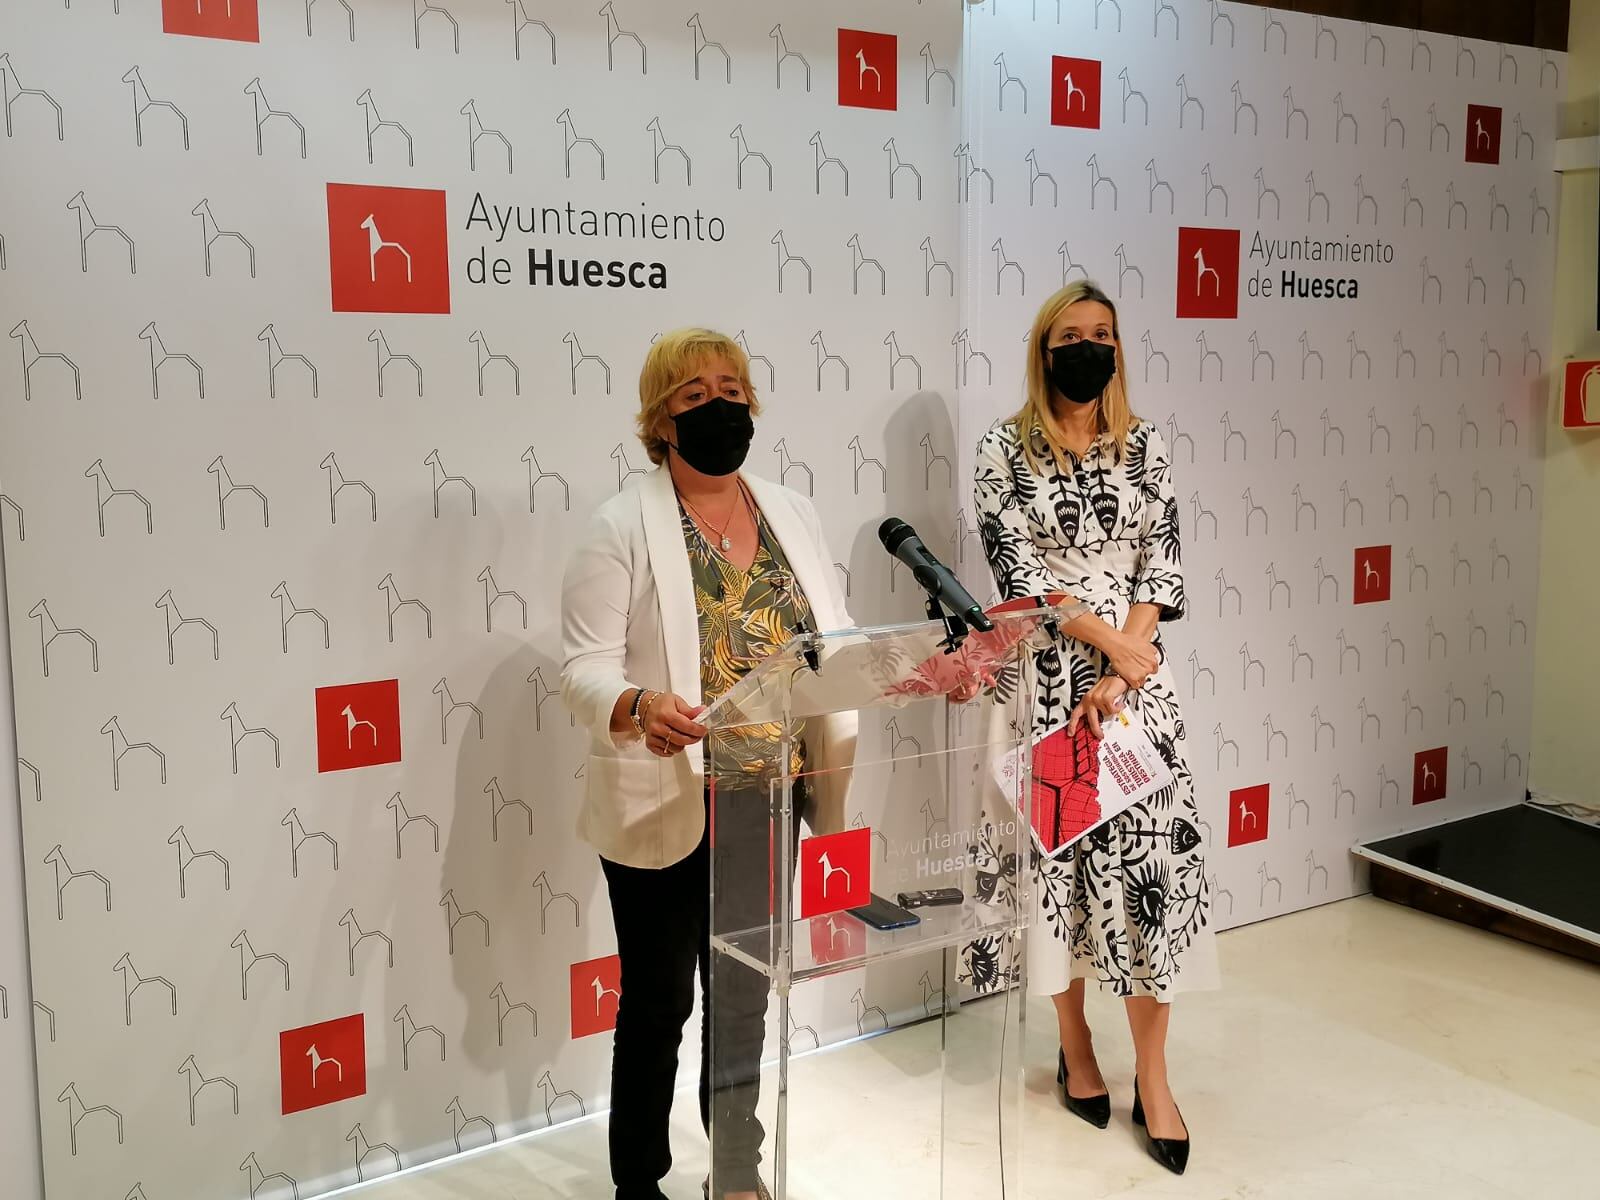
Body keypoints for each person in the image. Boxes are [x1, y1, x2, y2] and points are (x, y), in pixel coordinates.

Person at [560, 328, 856, 1200]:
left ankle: (734, 1173)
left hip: (769, 798)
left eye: (731, 390)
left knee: (741, 999)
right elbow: (582, 668)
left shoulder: (791, 511)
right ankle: (638, 1184)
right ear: (661, 422)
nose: (719, 407)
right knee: (659, 1004)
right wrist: (636, 704)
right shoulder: (619, 525)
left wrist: (908, 668)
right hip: (665, 797)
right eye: (693, 397)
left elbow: (835, 639)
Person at [972, 282, 1217, 1175]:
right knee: (1061, 876)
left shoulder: (1146, 444)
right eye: (1072, 335)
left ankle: (1153, 1075)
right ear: (1045, 350)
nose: (1089, 347)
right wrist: (1109, 647)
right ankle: (1076, 1045)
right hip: (1046, 688)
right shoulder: (1002, 449)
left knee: (1155, 877)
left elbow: (1163, 567)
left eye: (1103, 333)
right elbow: (1017, 574)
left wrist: (1125, 669)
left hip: (1136, 693)